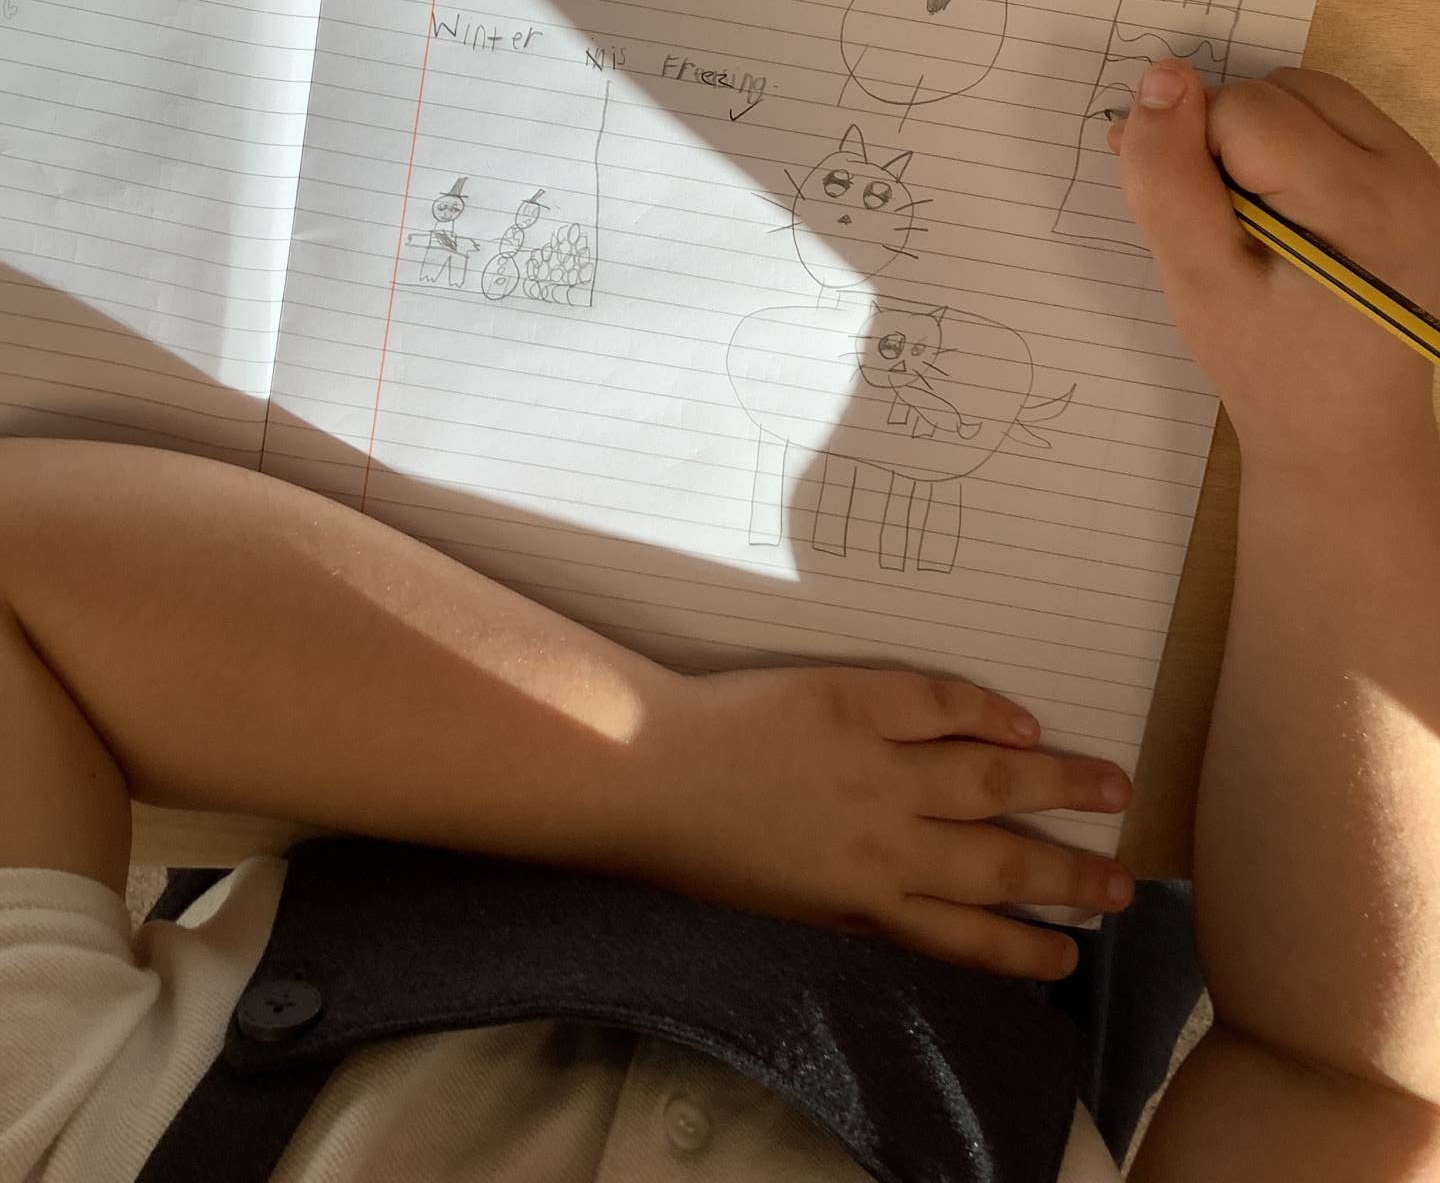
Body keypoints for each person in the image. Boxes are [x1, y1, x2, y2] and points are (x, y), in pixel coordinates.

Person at [3, 60, 1439, 1181]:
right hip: (1001, 835)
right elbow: (1342, 1088)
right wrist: (1346, 449)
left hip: (400, 699)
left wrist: (660, 769)